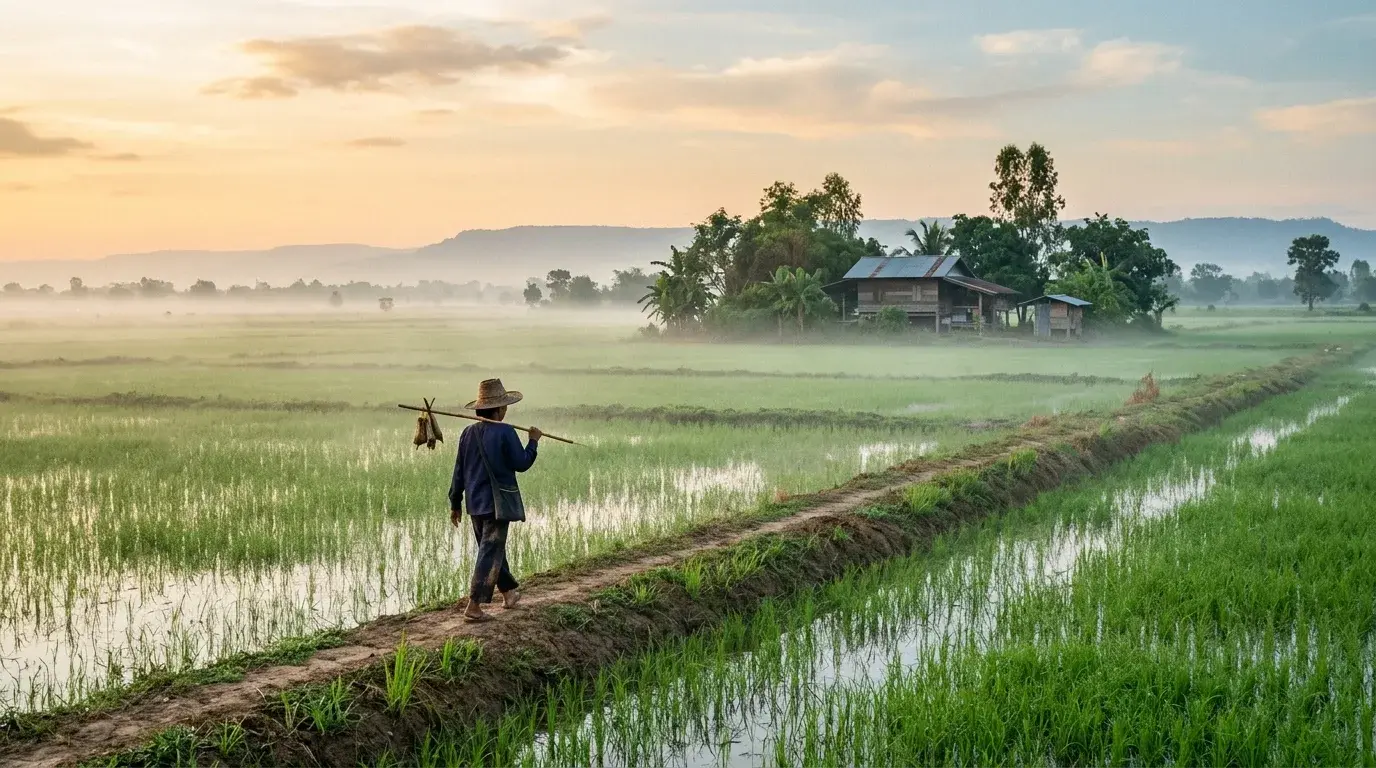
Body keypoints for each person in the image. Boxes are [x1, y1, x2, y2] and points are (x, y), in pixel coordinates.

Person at [448, 378, 542, 623]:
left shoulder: (467, 433)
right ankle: (474, 606)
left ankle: (509, 593)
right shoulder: (505, 431)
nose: (506, 409)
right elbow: (522, 463)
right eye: (505, 406)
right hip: (496, 505)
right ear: (499, 409)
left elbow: (459, 471)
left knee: (491, 548)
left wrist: (455, 502)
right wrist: (533, 441)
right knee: (489, 552)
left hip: (474, 504)